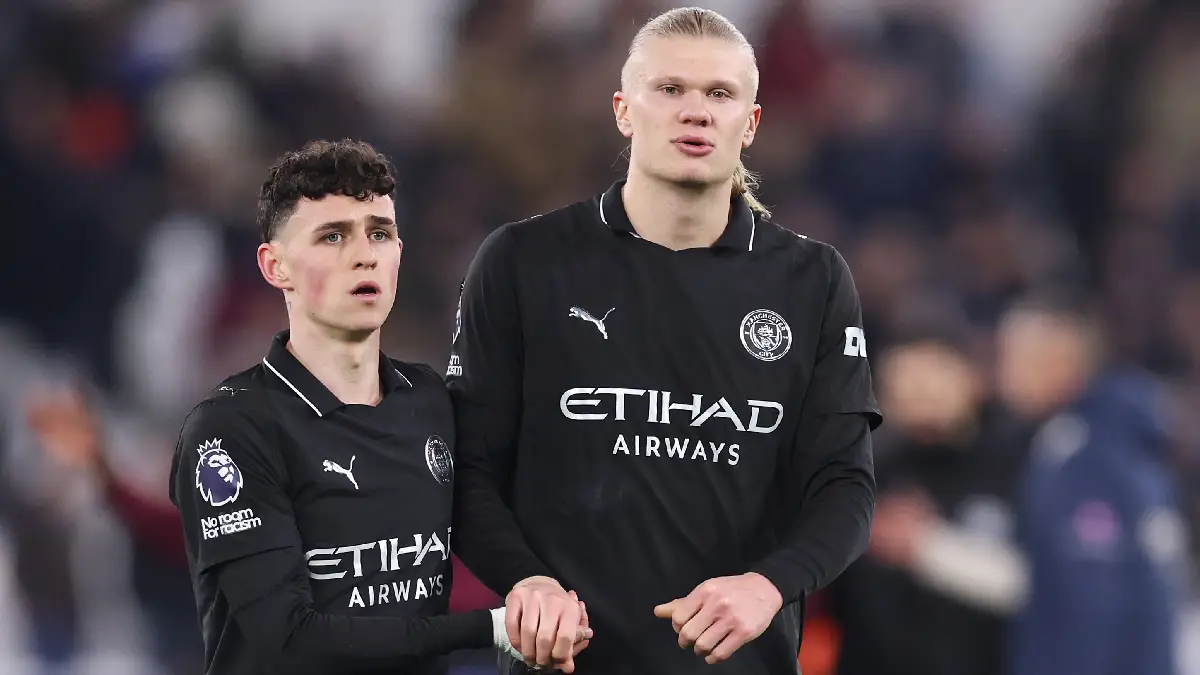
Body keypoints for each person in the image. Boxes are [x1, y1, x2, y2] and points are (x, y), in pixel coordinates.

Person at [446, 8, 882, 674]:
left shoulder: (812, 281)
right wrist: (526, 581)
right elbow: (467, 470)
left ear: (751, 122)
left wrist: (767, 585)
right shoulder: (522, 262)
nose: (696, 111)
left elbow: (845, 485)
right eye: (670, 89)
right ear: (624, 110)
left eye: (720, 93)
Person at [167, 139, 589, 675]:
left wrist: (532, 583)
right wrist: (496, 627)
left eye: (379, 232)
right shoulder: (231, 430)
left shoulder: (430, 400)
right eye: (333, 236)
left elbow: (476, 516)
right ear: (276, 267)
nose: (364, 253)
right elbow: (290, 639)